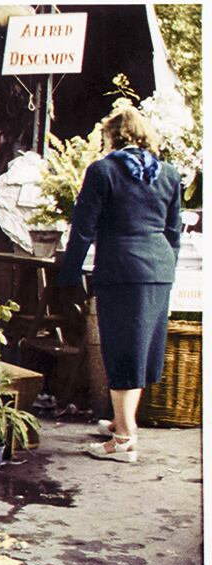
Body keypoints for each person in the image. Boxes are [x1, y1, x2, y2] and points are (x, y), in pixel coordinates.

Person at [57, 106, 183, 463]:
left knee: (121, 349)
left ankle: (125, 439)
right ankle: (120, 421)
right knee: (140, 349)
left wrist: (68, 274)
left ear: (112, 136)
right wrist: (165, 267)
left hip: (121, 269)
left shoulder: (103, 171)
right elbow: (174, 233)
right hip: (158, 269)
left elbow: (83, 227)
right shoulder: (170, 175)